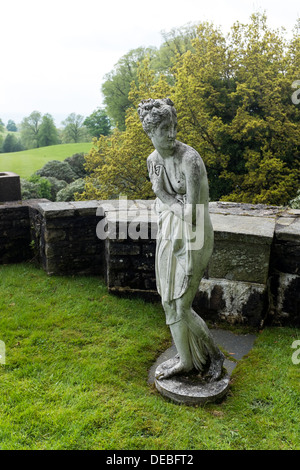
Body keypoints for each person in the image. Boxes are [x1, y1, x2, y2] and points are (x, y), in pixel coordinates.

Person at [138, 98, 224, 381]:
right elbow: (171, 203)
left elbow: (192, 215)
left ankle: (215, 355)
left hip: (195, 237)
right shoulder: (153, 160)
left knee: (183, 305)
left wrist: (164, 196)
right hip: (169, 233)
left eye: (173, 126)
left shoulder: (190, 160)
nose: (172, 133)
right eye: (164, 129)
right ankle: (186, 361)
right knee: (168, 302)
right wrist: (170, 198)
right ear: (150, 133)